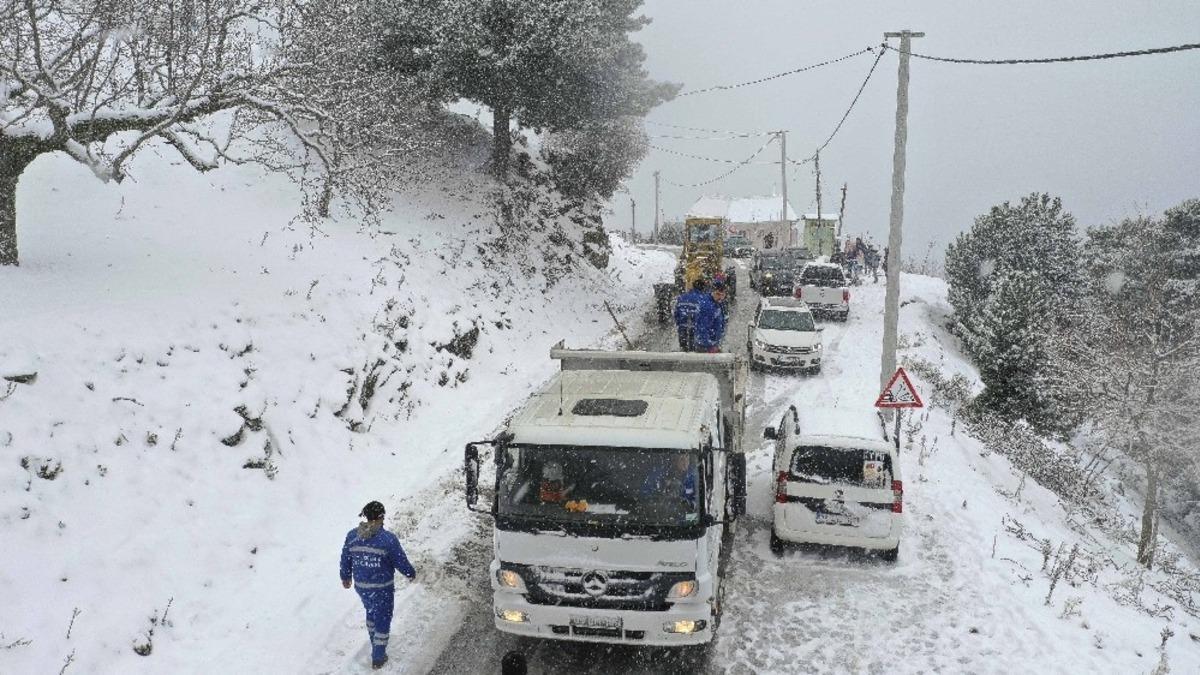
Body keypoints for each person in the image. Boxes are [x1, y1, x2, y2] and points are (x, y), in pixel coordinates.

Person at [340, 501, 417, 670]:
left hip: (362, 587)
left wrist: (345, 577)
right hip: (382, 588)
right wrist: (411, 573)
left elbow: (345, 558)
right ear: (381, 517)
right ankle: (378, 657)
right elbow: (400, 561)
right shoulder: (387, 539)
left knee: (371, 611)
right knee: (383, 618)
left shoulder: (352, 536)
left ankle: (374, 640)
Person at [673, 278, 707, 352]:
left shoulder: (681, 297)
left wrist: (679, 324)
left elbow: (676, 313)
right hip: (695, 329)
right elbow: (704, 316)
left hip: (682, 327)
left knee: (683, 350)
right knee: (694, 352)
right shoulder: (703, 299)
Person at [694, 281, 727, 353]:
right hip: (705, 346)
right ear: (712, 292)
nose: (720, 297)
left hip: (713, 343)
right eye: (718, 294)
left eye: (722, 295)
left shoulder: (717, 303)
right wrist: (709, 346)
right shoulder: (707, 306)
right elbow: (702, 328)